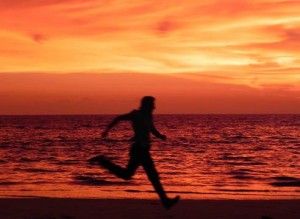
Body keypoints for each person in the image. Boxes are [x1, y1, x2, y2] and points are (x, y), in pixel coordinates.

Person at [89, 96, 179, 209]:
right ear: (146, 105)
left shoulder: (149, 116)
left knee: (134, 175)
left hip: (144, 150)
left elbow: (151, 129)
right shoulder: (136, 114)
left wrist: (160, 135)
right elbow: (119, 118)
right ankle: (102, 161)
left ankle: (165, 201)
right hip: (138, 150)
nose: (154, 106)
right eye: (152, 104)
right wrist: (107, 130)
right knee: (147, 176)